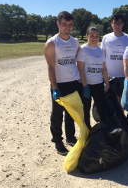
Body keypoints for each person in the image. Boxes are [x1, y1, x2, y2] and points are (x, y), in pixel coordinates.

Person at [44, 11, 80, 155]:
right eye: (64, 24)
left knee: (71, 113)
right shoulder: (52, 43)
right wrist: (54, 87)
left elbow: (77, 60)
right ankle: (57, 141)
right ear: (58, 24)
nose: (67, 27)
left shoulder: (75, 41)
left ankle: (70, 138)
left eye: (70, 25)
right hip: (59, 84)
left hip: (73, 82)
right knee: (57, 114)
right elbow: (51, 67)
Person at [77, 27, 109, 131]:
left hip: (98, 84)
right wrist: (85, 86)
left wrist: (107, 84)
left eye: (97, 36)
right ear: (87, 36)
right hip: (86, 85)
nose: (94, 38)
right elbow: (80, 69)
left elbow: (104, 68)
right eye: (92, 36)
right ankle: (87, 129)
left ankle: (103, 129)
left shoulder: (100, 50)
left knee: (101, 108)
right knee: (85, 109)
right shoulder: (83, 49)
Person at [101, 14, 128, 107]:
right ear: (111, 24)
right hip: (110, 76)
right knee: (110, 101)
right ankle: (111, 121)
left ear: (123, 24)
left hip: (123, 75)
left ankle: (121, 120)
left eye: (119, 23)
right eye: (115, 23)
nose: (117, 25)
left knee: (121, 102)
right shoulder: (106, 38)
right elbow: (103, 56)